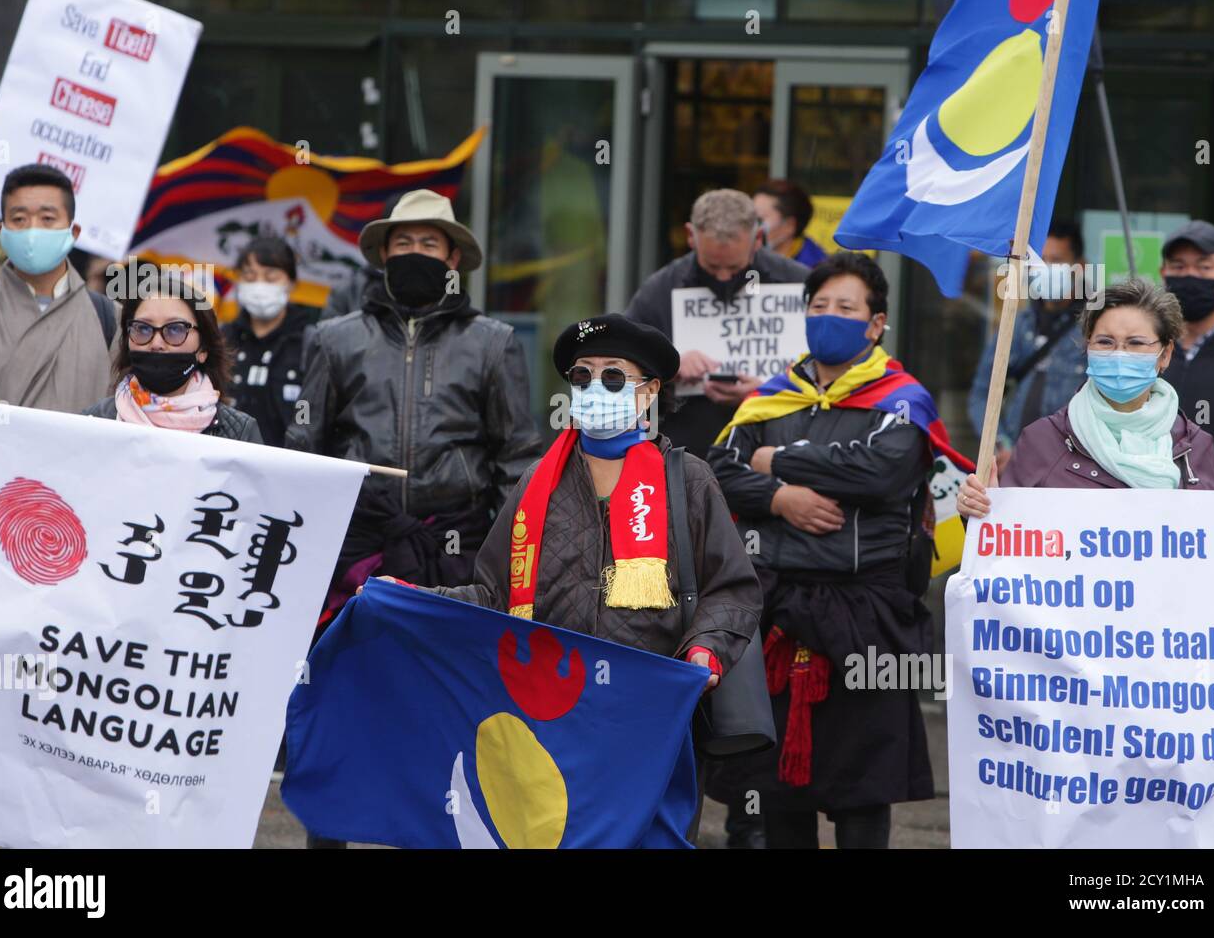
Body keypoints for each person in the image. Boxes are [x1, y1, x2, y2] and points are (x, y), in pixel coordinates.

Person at [401, 314, 762, 845]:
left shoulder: (688, 480)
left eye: (613, 376)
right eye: (583, 376)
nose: (596, 388)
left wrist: (705, 650)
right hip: (551, 719)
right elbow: (493, 595)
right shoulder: (535, 483)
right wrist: (415, 600)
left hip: (650, 717)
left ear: (650, 391)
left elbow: (730, 587)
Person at [708, 252, 962, 849]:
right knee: (777, 788)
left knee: (861, 787)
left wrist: (775, 460)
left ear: (875, 324)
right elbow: (718, 469)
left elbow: (882, 473)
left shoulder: (901, 400)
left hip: (867, 614)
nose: (829, 317)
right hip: (777, 606)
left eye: (845, 308)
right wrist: (781, 499)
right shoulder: (772, 397)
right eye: (818, 306)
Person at [286, 187, 540, 609]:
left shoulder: (493, 343)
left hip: (457, 546)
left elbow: (515, 458)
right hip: (355, 544)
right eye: (404, 243)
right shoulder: (336, 338)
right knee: (355, 665)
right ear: (384, 253)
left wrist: (514, 558)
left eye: (429, 244)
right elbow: (305, 443)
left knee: (446, 668)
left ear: (452, 258)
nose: (415, 253)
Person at [957, 278, 1214, 517]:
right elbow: (1005, 545)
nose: (1119, 354)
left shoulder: (1194, 446)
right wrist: (982, 511)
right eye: (1105, 342)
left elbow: (1211, 543)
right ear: (1087, 347)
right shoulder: (1042, 440)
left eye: (1136, 343)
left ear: (1165, 354)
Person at [0, 164, 120, 521]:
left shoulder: (111, 319)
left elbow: (124, 424)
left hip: (86, 511)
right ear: (1, 231)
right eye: (19, 219)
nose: (33, 231)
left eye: (47, 219)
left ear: (73, 230)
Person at [626, 188, 809, 460]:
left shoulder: (800, 284)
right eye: (712, 267)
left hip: (773, 457)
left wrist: (767, 391)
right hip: (685, 458)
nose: (723, 278)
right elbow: (619, 368)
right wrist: (667, 365)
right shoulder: (660, 290)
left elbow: (832, 373)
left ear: (757, 239)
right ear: (691, 236)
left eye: (735, 268)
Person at [80, 272, 262, 443]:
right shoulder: (94, 421)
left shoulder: (239, 434)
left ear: (203, 349)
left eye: (175, 329)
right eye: (143, 329)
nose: (156, 343)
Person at [968, 219, 1088, 473]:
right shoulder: (1016, 324)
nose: (1046, 268)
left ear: (1081, 267)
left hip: (1072, 470)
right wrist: (1000, 444)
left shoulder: (1097, 328)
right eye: (1040, 260)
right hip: (1017, 467)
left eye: (1056, 261)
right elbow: (982, 393)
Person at [1155, 220, 1214, 488]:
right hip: (1151, 515)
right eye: (1179, 266)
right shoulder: (1146, 348)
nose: (1190, 275)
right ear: (1163, 273)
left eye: (1204, 266)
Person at [222, 237, 319, 447]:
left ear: (291, 283)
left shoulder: (311, 343)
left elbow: (310, 415)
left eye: (271, 277)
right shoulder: (223, 339)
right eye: (249, 276)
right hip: (227, 463)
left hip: (286, 467)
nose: (259, 285)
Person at [753, 179, 827, 268]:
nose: (751, 226)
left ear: (789, 225)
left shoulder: (815, 268)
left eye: (759, 219)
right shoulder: (746, 258)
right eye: (749, 218)